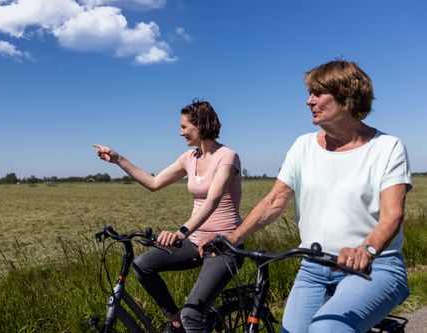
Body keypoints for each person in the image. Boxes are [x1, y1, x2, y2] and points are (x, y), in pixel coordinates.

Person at [206, 60, 412, 332]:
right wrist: (235, 236)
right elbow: (275, 199)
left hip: (375, 267)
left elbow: (392, 215)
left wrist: (367, 249)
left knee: (325, 329)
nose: (308, 101)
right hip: (313, 269)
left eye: (317, 93)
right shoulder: (303, 145)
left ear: (346, 96)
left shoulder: (387, 147)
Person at [93, 100, 244, 333]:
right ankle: (175, 322)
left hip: (224, 245)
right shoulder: (189, 158)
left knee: (192, 314)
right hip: (194, 242)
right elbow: (154, 183)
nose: (180, 131)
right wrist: (118, 159)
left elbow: (213, 201)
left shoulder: (227, 157)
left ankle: (186, 321)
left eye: (184, 127)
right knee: (143, 266)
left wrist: (181, 232)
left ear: (201, 125)